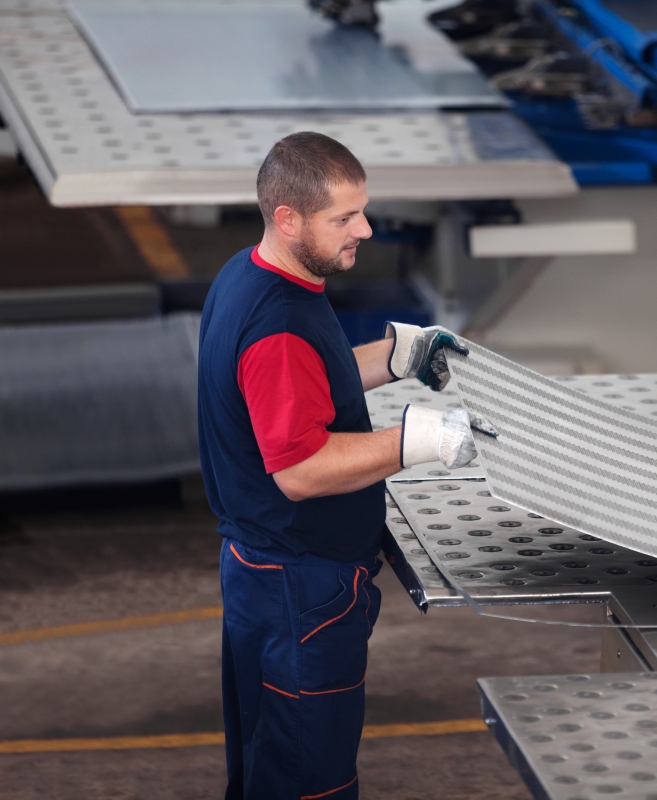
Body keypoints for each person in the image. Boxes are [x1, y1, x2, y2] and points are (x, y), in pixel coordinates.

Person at [197, 131, 487, 799]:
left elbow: (303, 384)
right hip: (300, 589)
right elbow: (300, 469)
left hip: (265, 576)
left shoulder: (254, 275)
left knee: (269, 762)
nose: (366, 229)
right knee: (308, 779)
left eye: (362, 210)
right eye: (344, 219)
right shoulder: (278, 327)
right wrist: (424, 438)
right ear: (288, 217)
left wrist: (396, 356)